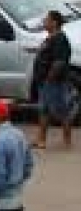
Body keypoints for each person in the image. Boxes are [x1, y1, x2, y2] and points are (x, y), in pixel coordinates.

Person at [33, 10, 75, 149]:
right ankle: (41, 140)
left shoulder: (60, 39)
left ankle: (67, 141)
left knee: (62, 110)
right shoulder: (51, 37)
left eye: (46, 20)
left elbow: (59, 62)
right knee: (44, 110)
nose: (44, 22)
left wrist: (49, 79)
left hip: (55, 82)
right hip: (46, 81)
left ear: (54, 23)